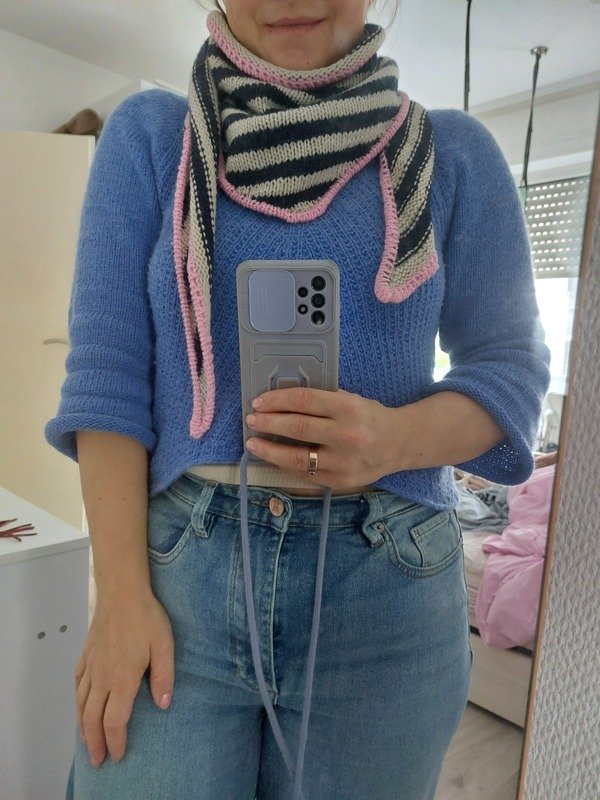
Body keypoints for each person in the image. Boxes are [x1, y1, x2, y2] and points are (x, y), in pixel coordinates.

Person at [45, 1, 552, 798]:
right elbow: (108, 377)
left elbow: (512, 371)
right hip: (176, 582)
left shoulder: (454, 154)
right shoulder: (151, 137)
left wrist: (393, 441)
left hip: (388, 586)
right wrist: (119, 595)